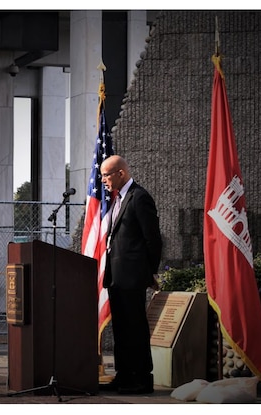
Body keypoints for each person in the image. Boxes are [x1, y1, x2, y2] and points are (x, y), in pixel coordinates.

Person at [99, 155, 162, 395]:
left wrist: (149, 272)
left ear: (121, 174)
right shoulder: (118, 199)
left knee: (135, 329)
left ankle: (142, 380)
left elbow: (152, 239)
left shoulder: (140, 197)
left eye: (106, 174)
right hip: (116, 277)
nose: (103, 179)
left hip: (133, 277)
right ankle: (124, 375)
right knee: (122, 331)